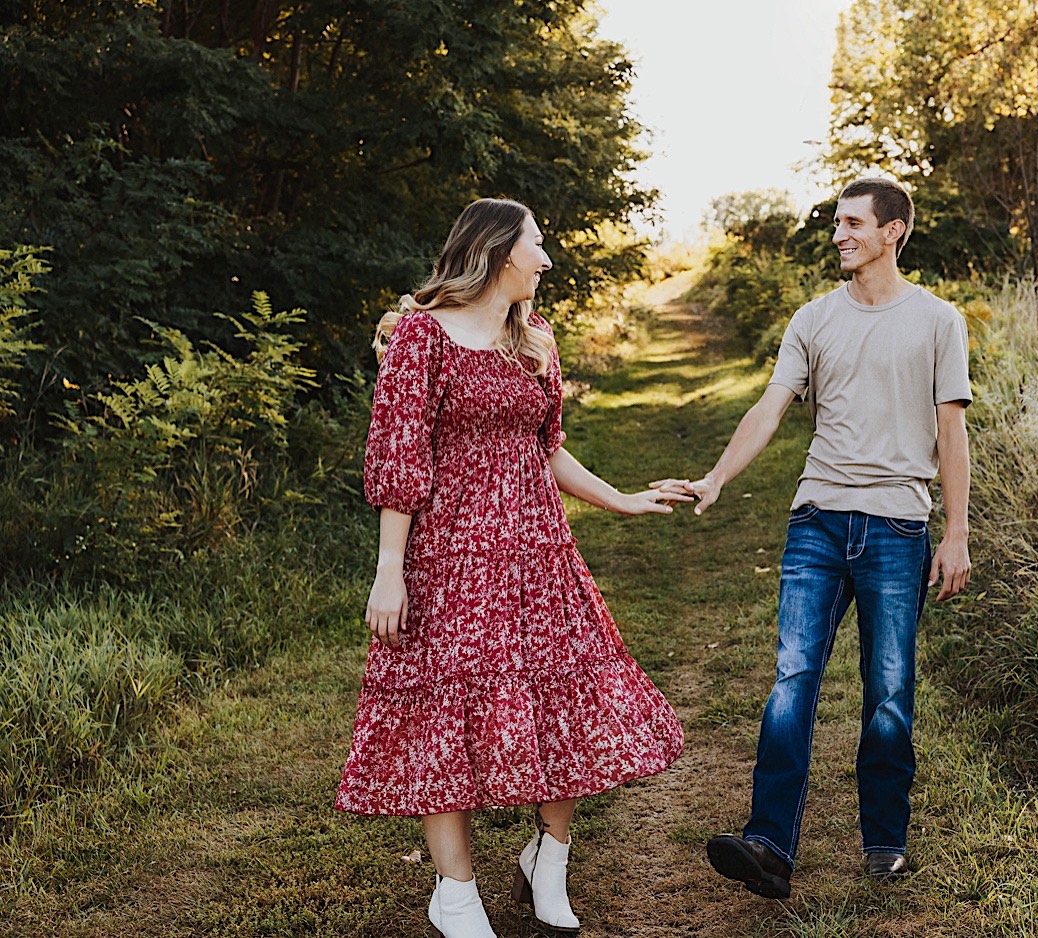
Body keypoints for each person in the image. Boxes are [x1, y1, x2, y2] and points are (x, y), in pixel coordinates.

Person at [335, 197, 689, 937]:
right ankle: (455, 893)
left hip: (537, 552)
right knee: (443, 711)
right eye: (538, 246)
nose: (548, 260)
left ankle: (548, 856)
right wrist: (389, 570)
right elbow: (400, 459)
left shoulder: (537, 342)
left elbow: (547, 445)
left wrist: (621, 500)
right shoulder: (421, 339)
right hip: (448, 558)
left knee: (566, 695)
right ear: (498, 251)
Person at [659, 177, 972, 898]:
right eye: (837, 223)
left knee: (889, 690)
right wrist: (716, 478)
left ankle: (884, 843)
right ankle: (769, 844)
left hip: (898, 525)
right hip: (817, 521)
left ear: (893, 231)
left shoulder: (936, 321)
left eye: (853, 223)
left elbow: (952, 432)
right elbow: (770, 409)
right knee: (792, 679)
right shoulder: (814, 318)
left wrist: (953, 533)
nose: (839, 234)